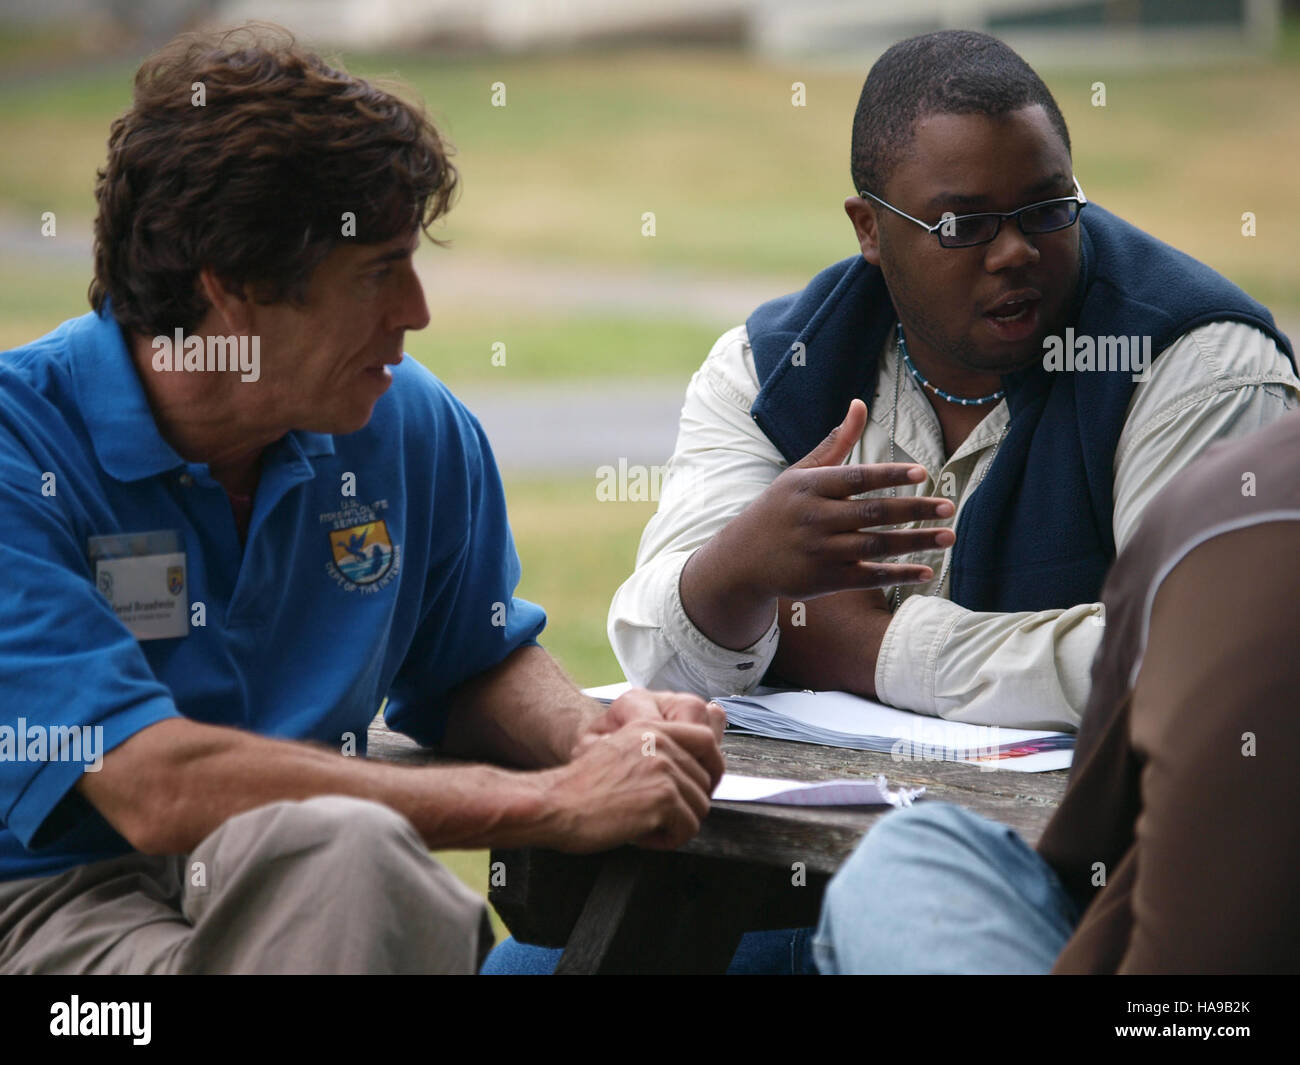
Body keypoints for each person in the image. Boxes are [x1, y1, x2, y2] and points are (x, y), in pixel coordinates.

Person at [0, 25, 725, 975]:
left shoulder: (399, 421)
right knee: (355, 856)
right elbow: (153, 786)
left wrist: (592, 735)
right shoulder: (22, 450)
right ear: (233, 288)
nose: (418, 311)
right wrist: (553, 805)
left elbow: (471, 660)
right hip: (56, 903)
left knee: (349, 859)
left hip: (293, 864)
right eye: (380, 271)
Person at [607, 29, 1298, 732]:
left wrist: (873, 648)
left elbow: (1199, 658)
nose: (1016, 251)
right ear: (869, 229)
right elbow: (655, 658)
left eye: (1048, 208)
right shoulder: (769, 369)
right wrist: (738, 572)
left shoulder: (1201, 369)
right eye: (963, 224)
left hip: (1105, 842)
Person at [813, 409, 1300, 974]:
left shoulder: (1230, 496)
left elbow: (1088, 855)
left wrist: (875, 648)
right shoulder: (769, 359)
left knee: (908, 858)